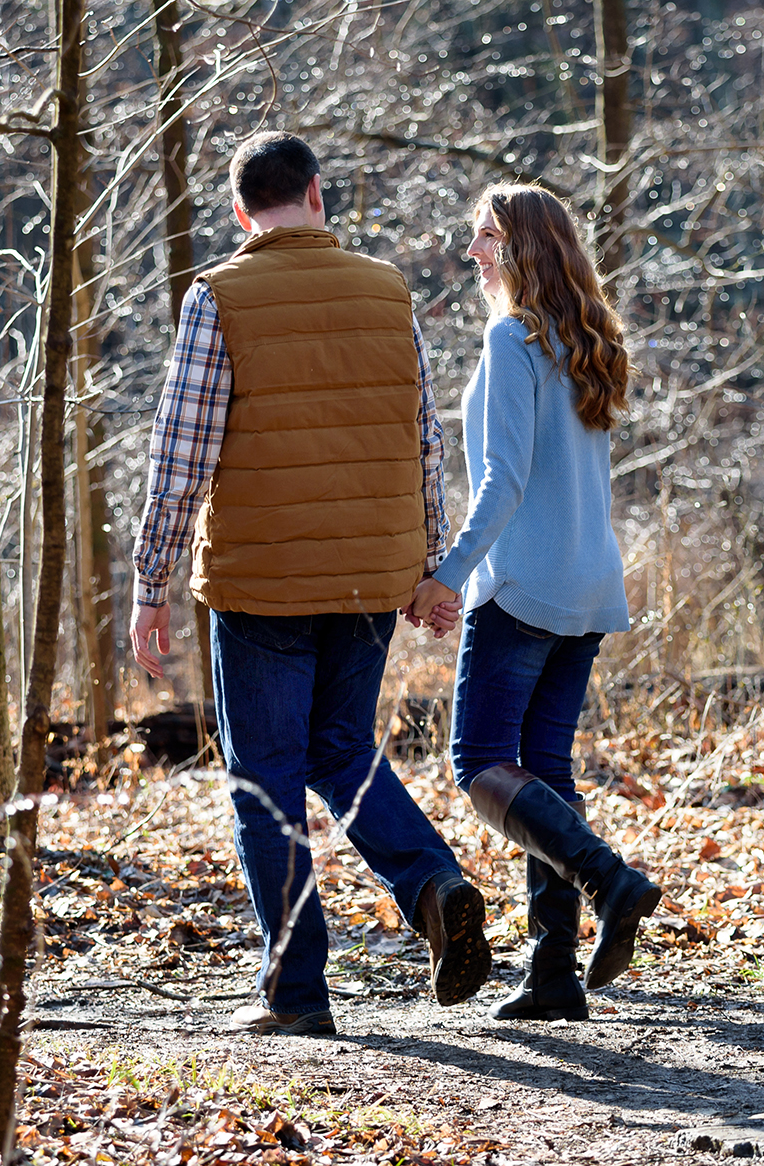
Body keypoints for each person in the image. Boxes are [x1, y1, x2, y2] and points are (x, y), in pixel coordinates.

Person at [129, 131, 493, 1036]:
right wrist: (425, 564)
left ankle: (295, 994)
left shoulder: (217, 295)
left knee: (265, 780)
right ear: (318, 195)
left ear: (240, 211)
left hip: (260, 582)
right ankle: (431, 882)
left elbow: (180, 459)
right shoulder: (386, 290)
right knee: (336, 745)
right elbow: (424, 437)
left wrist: (149, 583)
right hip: (371, 572)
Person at [407, 183, 661, 1022]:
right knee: (543, 772)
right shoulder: (587, 339)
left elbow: (501, 482)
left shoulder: (512, 340)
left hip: (521, 586)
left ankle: (608, 878)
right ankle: (552, 971)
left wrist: (449, 572)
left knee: (477, 762)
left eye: (485, 237)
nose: (472, 251)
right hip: (589, 584)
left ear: (522, 247)